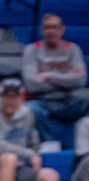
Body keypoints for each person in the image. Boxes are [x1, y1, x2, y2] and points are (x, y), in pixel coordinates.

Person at [21, 13, 89, 144]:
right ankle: (47, 146)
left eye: (54, 27)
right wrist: (68, 78)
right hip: (42, 101)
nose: (51, 31)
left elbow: (80, 81)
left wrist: (49, 75)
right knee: (32, 109)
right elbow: (32, 85)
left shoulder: (73, 49)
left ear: (62, 30)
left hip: (69, 100)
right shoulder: (32, 50)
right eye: (47, 28)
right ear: (42, 30)